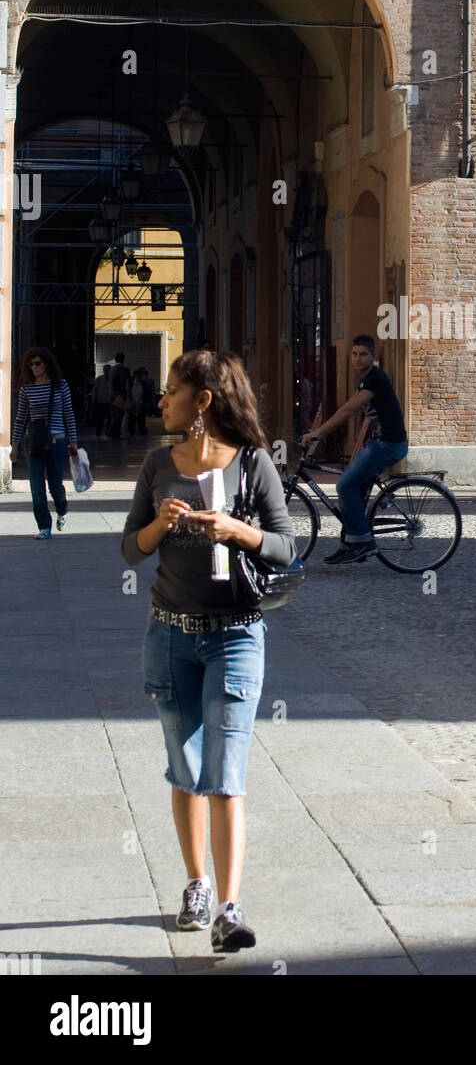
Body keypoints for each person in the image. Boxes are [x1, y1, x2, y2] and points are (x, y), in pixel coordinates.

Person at [121, 349, 295, 953]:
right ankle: (196, 882)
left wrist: (237, 530)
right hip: (169, 634)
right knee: (187, 770)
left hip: (237, 636)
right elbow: (129, 549)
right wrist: (161, 526)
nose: (161, 400)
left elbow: (284, 546)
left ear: (203, 402)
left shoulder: (253, 464)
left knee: (226, 774)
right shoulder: (156, 465)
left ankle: (228, 905)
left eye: (171, 391)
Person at [301, 334, 408, 564]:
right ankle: (349, 543)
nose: (358, 359)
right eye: (354, 354)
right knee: (353, 485)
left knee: (345, 485)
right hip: (378, 444)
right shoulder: (365, 379)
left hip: (389, 445)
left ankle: (364, 541)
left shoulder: (375, 379)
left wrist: (318, 433)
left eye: (363, 354)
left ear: (373, 356)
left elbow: (348, 411)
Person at [10, 347, 79, 538]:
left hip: (57, 441)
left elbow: (68, 414)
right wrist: (14, 445)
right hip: (34, 443)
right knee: (37, 489)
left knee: (56, 486)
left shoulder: (60, 385)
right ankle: (44, 527)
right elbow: (21, 418)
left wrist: (73, 440)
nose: (34, 367)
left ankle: (62, 509)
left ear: (46, 364)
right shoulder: (27, 389)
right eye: (30, 364)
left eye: (37, 363)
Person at [109, 352, 132, 438]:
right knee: (119, 415)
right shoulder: (125, 370)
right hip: (120, 395)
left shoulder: (111, 369)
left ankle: (113, 432)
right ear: (123, 359)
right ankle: (116, 433)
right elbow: (126, 383)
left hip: (112, 395)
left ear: (115, 360)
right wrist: (127, 395)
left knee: (113, 414)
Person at [92, 363, 113, 438]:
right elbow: (95, 390)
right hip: (100, 401)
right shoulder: (99, 379)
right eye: (105, 370)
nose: (107, 371)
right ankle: (98, 431)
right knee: (100, 418)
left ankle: (108, 431)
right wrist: (94, 399)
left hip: (109, 402)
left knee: (110, 418)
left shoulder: (112, 380)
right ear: (103, 371)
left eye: (108, 370)